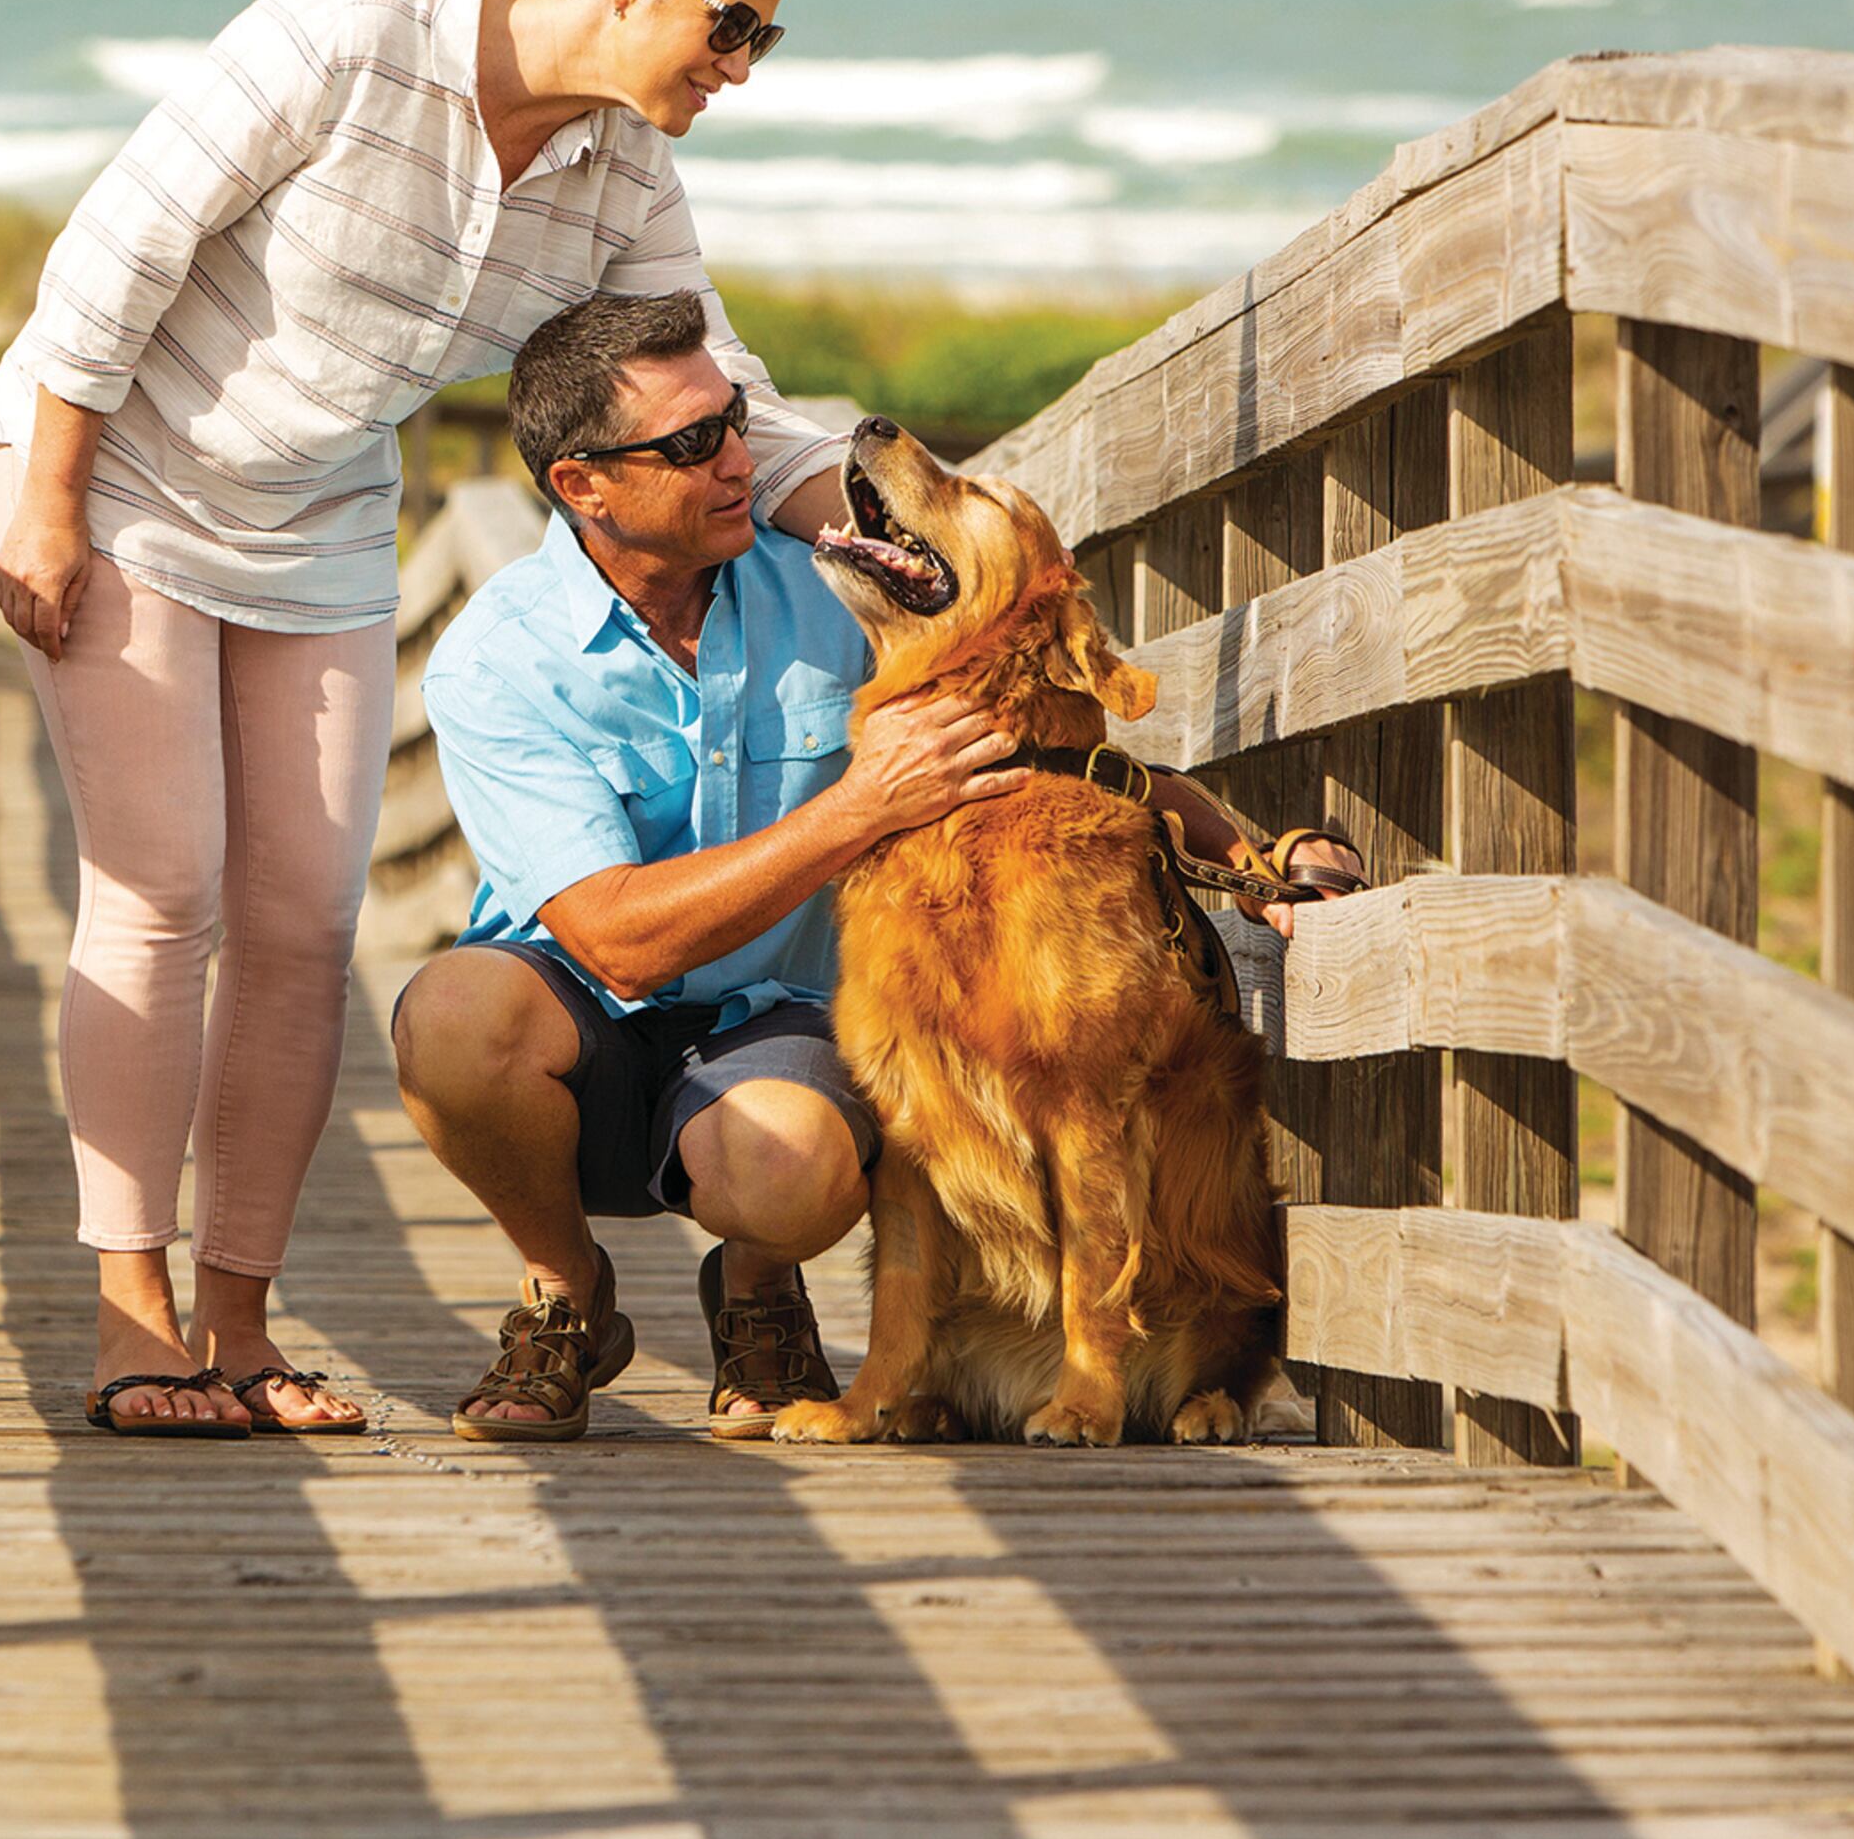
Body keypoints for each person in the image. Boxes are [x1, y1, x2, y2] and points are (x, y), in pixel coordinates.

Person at [0, 0, 849, 1435]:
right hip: (131, 472)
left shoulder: (622, 165)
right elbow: (116, 254)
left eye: (764, 36)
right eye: (734, 24)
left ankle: (241, 1326)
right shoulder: (346, 36)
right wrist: (48, 502)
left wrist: (866, 511)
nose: (746, 66)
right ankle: (131, 1315)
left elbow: (732, 398)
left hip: (328, 520)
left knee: (301, 924)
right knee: (163, 890)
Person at [392, 296, 1359, 1441]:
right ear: (583, 485)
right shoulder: (499, 659)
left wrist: (1255, 856)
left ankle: (759, 1288)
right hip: (584, 1026)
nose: (745, 464)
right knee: (451, 1016)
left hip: (780, 1022)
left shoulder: (838, 582)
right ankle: (566, 1291)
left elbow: (1059, 740)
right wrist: (854, 810)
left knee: (792, 1169)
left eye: (737, 421)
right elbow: (612, 940)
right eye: (695, 445)